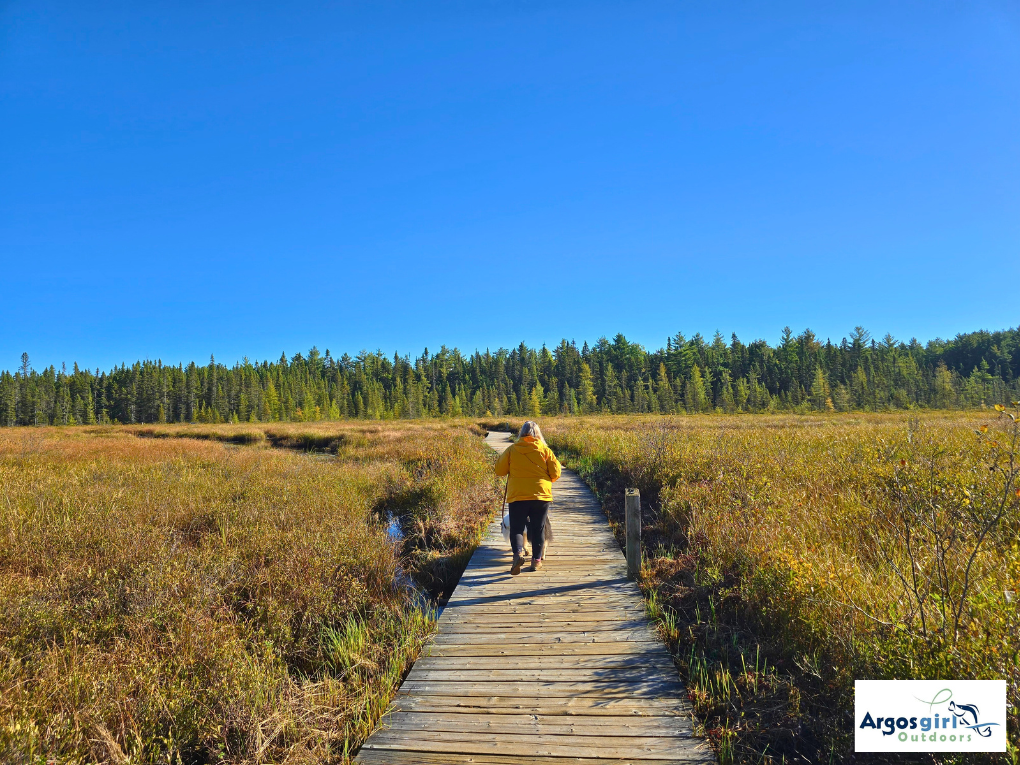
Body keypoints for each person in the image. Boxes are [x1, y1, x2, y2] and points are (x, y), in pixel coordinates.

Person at [494, 420, 561, 574]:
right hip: (540, 496)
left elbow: (499, 470)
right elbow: (556, 473)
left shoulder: (512, 449)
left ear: (521, 433)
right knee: (538, 528)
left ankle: (517, 555)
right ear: (538, 434)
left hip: (518, 495)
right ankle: (536, 561)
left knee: (516, 528)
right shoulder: (545, 450)